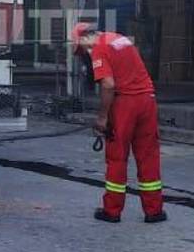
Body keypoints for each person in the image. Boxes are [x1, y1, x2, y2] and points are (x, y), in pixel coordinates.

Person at [71, 22, 166, 224]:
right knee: (148, 156)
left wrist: (102, 117)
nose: (86, 53)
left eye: (83, 48)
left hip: (125, 104)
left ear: (86, 37)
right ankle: (154, 211)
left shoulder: (99, 47)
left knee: (117, 157)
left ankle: (112, 211)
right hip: (147, 100)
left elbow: (108, 84)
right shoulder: (118, 38)